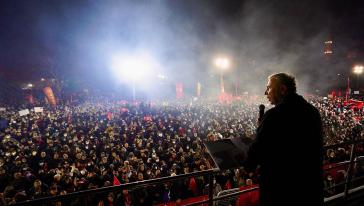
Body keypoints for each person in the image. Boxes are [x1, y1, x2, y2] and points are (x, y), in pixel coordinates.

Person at [244, 73, 323, 205]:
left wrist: (247, 164)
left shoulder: (273, 115)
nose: (265, 92)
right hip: (311, 186)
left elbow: (256, 152)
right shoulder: (312, 111)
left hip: (281, 190)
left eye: (268, 88)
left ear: (282, 89)